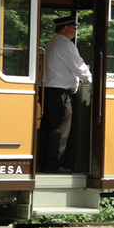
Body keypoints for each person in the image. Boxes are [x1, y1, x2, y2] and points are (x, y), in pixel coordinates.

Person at [38, 15, 92, 174]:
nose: (76, 29)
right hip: (59, 94)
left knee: (48, 128)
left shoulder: (52, 42)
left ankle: (44, 163)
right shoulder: (65, 45)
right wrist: (92, 82)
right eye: (73, 26)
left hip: (48, 91)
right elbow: (79, 67)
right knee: (60, 129)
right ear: (65, 27)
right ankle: (53, 165)